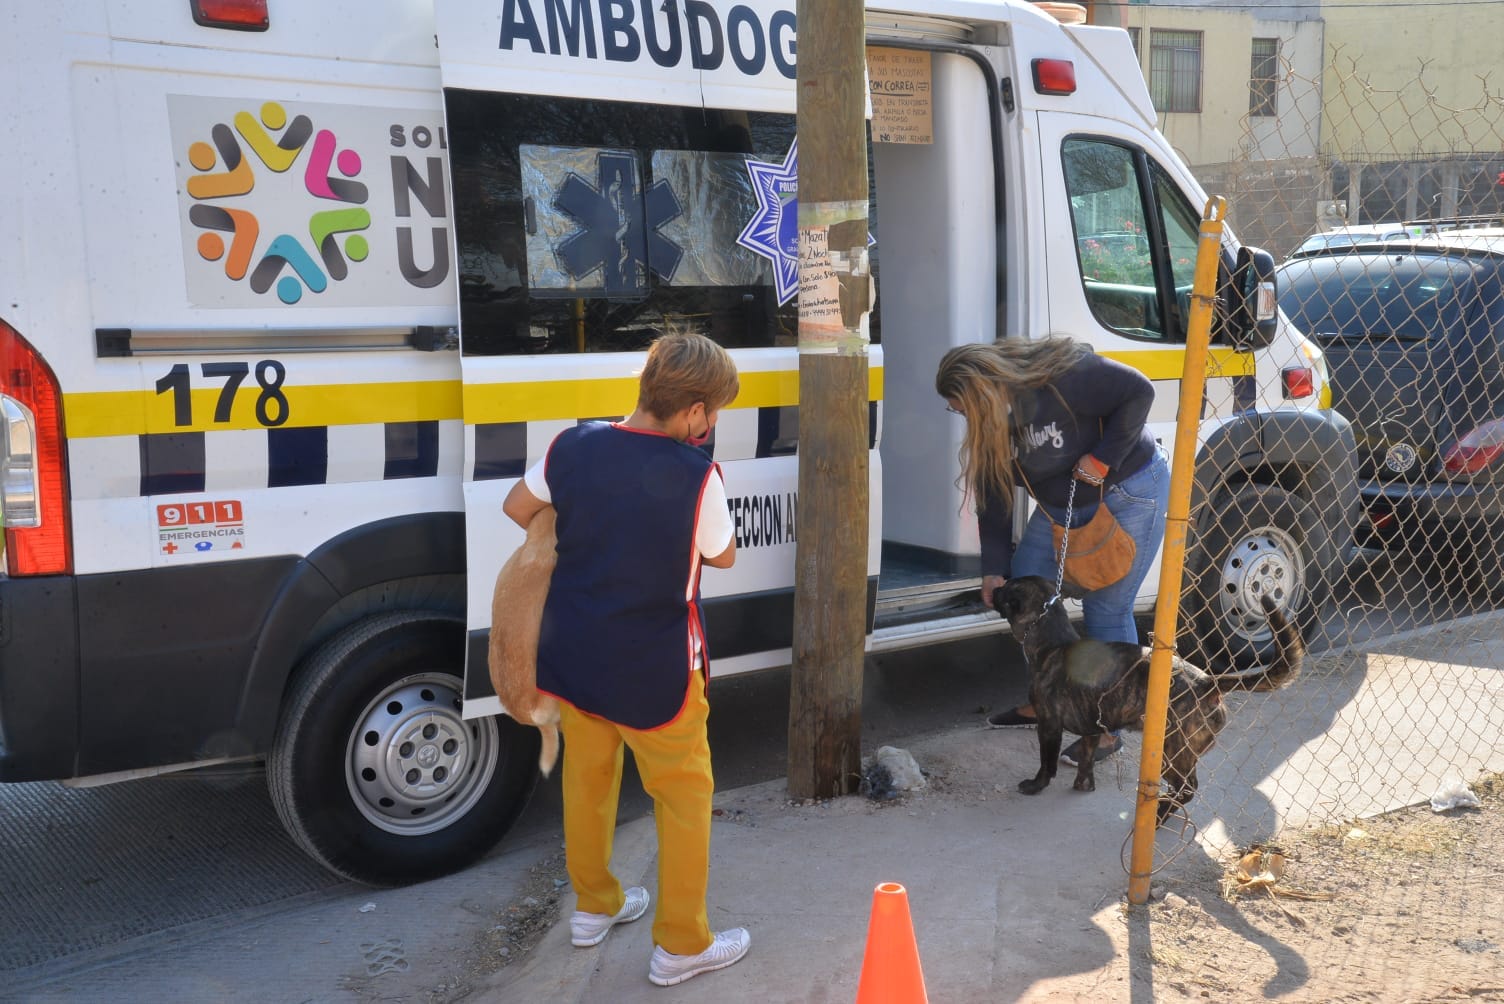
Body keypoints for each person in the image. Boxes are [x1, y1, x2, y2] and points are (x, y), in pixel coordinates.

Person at [502, 332, 751, 987]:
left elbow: (518, 507)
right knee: (684, 798)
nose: (713, 424)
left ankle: (594, 906)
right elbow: (722, 554)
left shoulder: (572, 446)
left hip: (574, 656)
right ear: (694, 411)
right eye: (715, 411)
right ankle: (682, 945)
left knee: (586, 785)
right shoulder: (698, 476)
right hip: (658, 668)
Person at [935, 336, 1171, 766]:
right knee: (1025, 585)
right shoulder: (995, 418)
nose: (960, 415)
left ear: (982, 390)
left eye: (960, 405)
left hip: (1128, 490)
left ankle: (1105, 730)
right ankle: (1049, 700)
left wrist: (1102, 458)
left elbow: (1140, 391)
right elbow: (994, 491)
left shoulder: (1064, 376)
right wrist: (993, 570)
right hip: (1061, 504)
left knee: (1107, 606)